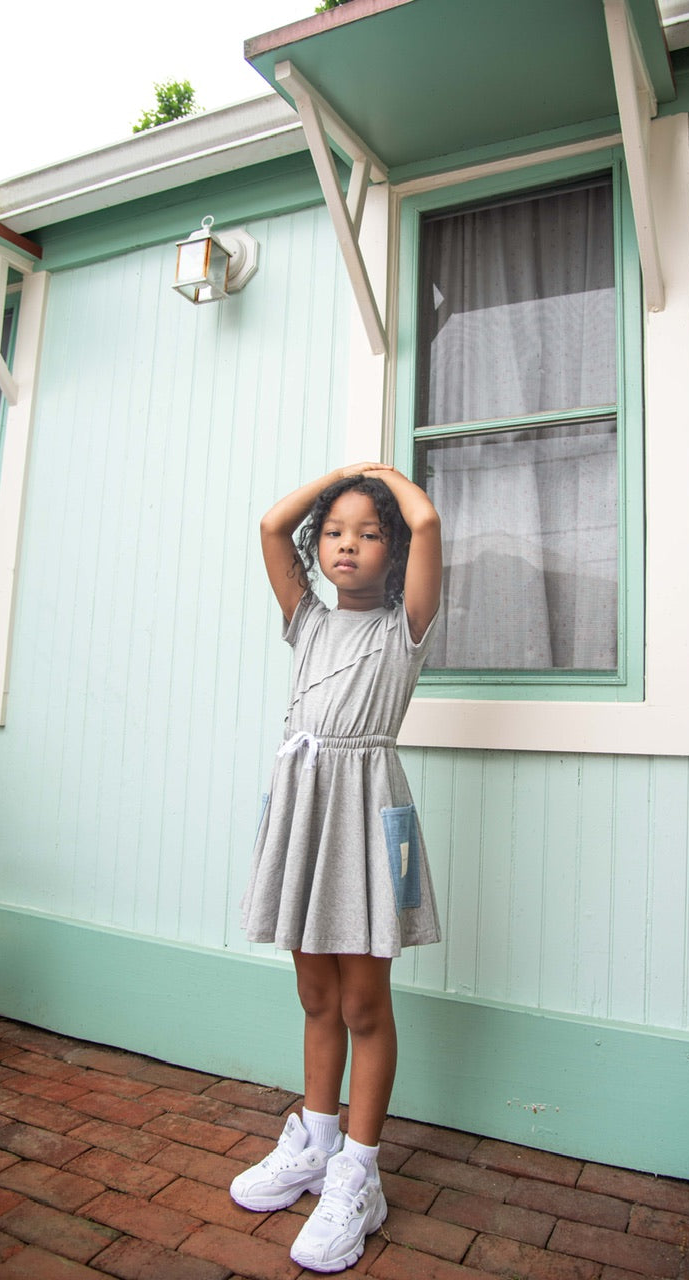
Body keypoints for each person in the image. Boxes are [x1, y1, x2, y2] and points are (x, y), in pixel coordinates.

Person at [231, 461, 443, 1272]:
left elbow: (426, 524)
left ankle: (359, 1168)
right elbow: (267, 529)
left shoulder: (405, 628)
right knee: (315, 992)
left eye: (368, 532)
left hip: (363, 809)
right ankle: (315, 1141)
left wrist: (380, 475)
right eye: (334, 533)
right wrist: (336, 481)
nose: (348, 546)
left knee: (363, 1002)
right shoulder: (309, 621)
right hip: (304, 806)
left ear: (391, 553)